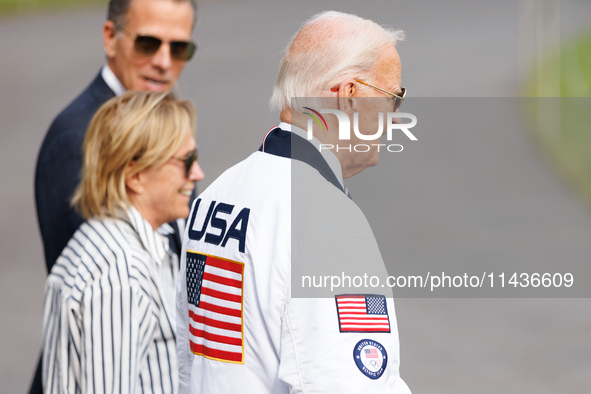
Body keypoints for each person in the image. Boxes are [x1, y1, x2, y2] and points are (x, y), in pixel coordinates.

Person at [176, 11, 411, 393]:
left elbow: (189, 365)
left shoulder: (216, 195)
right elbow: (347, 384)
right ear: (350, 96)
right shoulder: (326, 220)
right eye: (393, 98)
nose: (396, 119)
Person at [42, 91, 204, 394]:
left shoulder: (102, 241)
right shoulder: (122, 274)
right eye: (186, 160)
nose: (197, 173)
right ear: (136, 174)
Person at [35, 0, 198, 275]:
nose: (164, 62)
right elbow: (90, 282)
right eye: (148, 43)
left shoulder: (169, 123)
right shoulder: (76, 139)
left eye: (179, 48)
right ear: (110, 38)